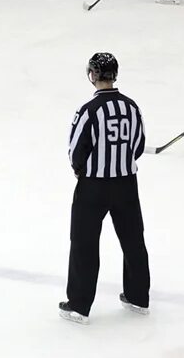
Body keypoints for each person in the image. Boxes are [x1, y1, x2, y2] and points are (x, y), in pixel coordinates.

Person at [62, 52, 149, 325]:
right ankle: (138, 297)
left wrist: (82, 171)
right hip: (126, 184)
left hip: (93, 187)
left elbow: (76, 150)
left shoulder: (89, 110)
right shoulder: (132, 107)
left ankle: (79, 304)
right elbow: (139, 144)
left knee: (84, 243)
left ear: (93, 75)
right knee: (133, 239)